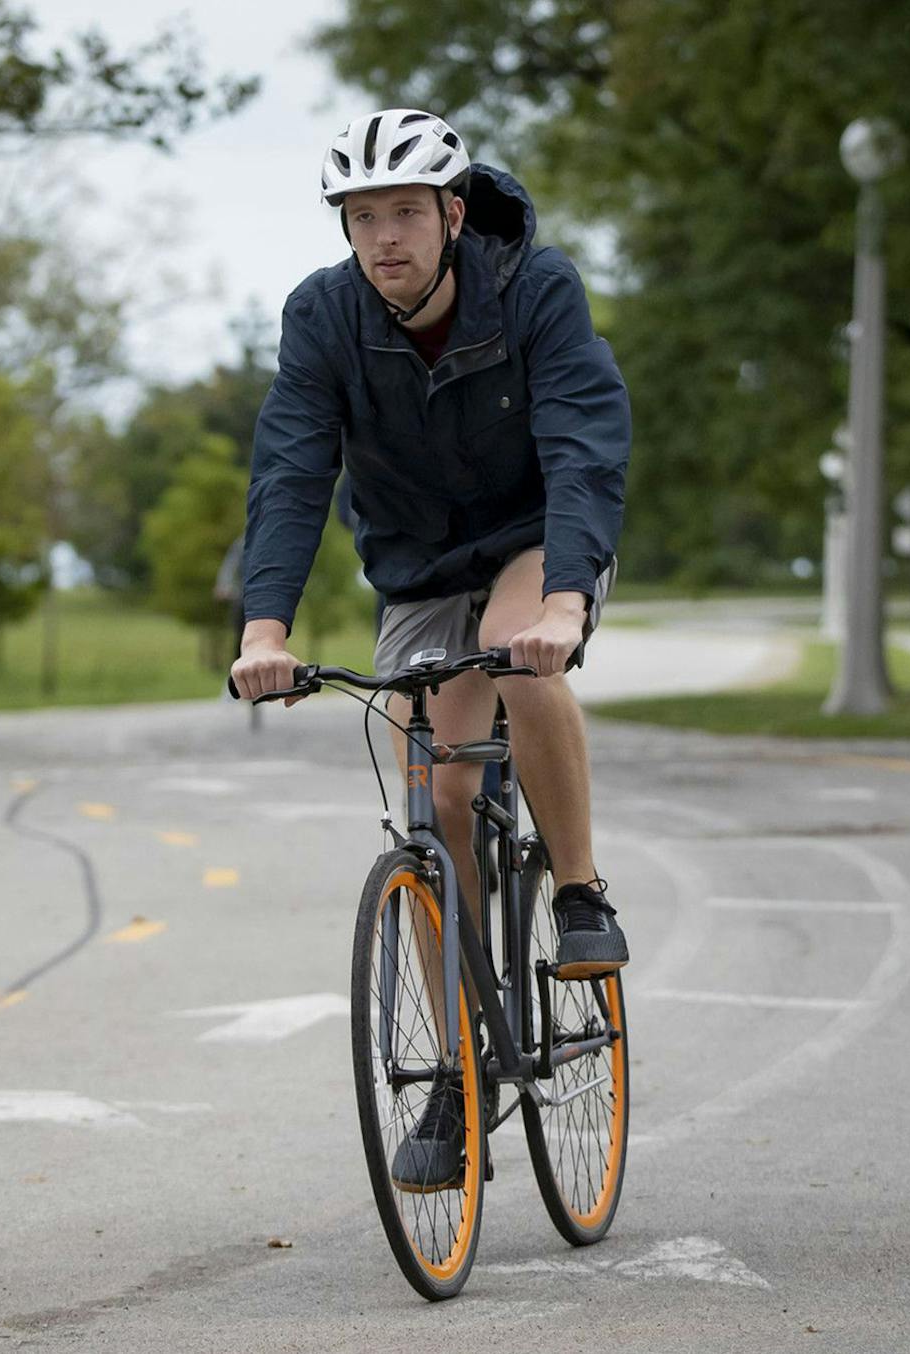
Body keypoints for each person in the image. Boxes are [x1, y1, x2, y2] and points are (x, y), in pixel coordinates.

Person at [228, 109, 633, 1190]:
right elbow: (292, 470)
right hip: (415, 568)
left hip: (535, 543)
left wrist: (565, 603)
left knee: (516, 651)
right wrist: (265, 626)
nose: (385, 238)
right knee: (439, 797)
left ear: (453, 214)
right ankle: (458, 1076)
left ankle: (582, 893)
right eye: (363, 219)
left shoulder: (534, 291)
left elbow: (585, 439)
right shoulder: (323, 317)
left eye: (406, 212)